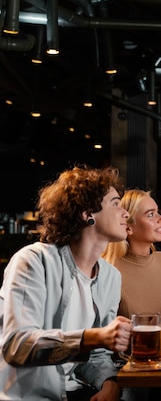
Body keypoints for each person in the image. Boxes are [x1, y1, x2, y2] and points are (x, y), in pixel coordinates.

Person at [0, 165, 132, 401]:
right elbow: (17, 345)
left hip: (72, 393)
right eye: (115, 203)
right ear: (87, 214)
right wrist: (94, 337)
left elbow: (98, 354)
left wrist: (109, 381)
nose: (125, 213)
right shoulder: (33, 261)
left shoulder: (111, 277)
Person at [102, 189, 161, 345]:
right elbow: (104, 338)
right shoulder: (108, 269)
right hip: (127, 362)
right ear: (128, 227)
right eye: (151, 214)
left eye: (158, 212)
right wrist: (152, 338)